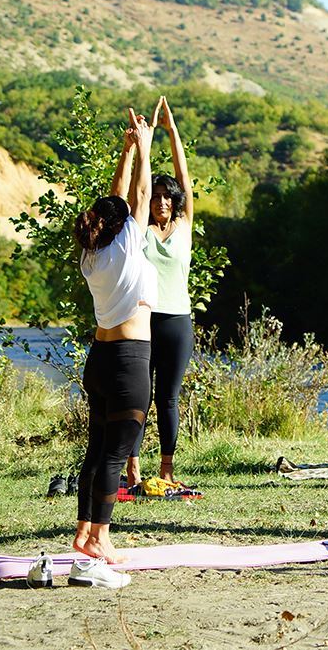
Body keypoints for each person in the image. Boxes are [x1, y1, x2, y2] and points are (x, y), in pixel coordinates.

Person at [70, 109, 156, 589]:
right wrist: (144, 147)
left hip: (100, 360)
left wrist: (123, 153)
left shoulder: (93, 250)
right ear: (120, 225)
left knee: (97, 449)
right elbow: (138, 196)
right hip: (127, 363)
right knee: (114, 454)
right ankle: (101, 536)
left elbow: (118, 199)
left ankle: (85, 531)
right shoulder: (126, 242)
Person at [124, 96, 195, 488]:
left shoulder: (184, 228)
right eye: (157, 196)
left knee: (168, 398)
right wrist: (138, 148)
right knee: (139, 396)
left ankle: (166, 469)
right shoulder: (141, 230)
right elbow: (136, 190)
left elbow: (185, 178)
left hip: (178, 322)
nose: (163, 202)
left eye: (168, 198)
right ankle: (133, 466)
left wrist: (172, 131)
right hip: (145, 321)